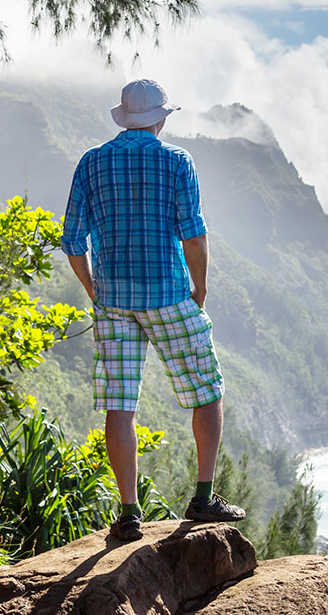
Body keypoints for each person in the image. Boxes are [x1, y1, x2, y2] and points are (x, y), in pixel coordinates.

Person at [60, 79, 246, 541]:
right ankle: (202, 499)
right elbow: (194, 234)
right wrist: (200, 287)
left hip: (114, 299)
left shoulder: (91, 162)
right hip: (168, 293)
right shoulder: (177, 160)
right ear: (160, 119)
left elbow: (71, 240)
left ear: (124, 118)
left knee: (119, 404)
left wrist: (92, 288)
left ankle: (128, 513)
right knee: (207, 390)